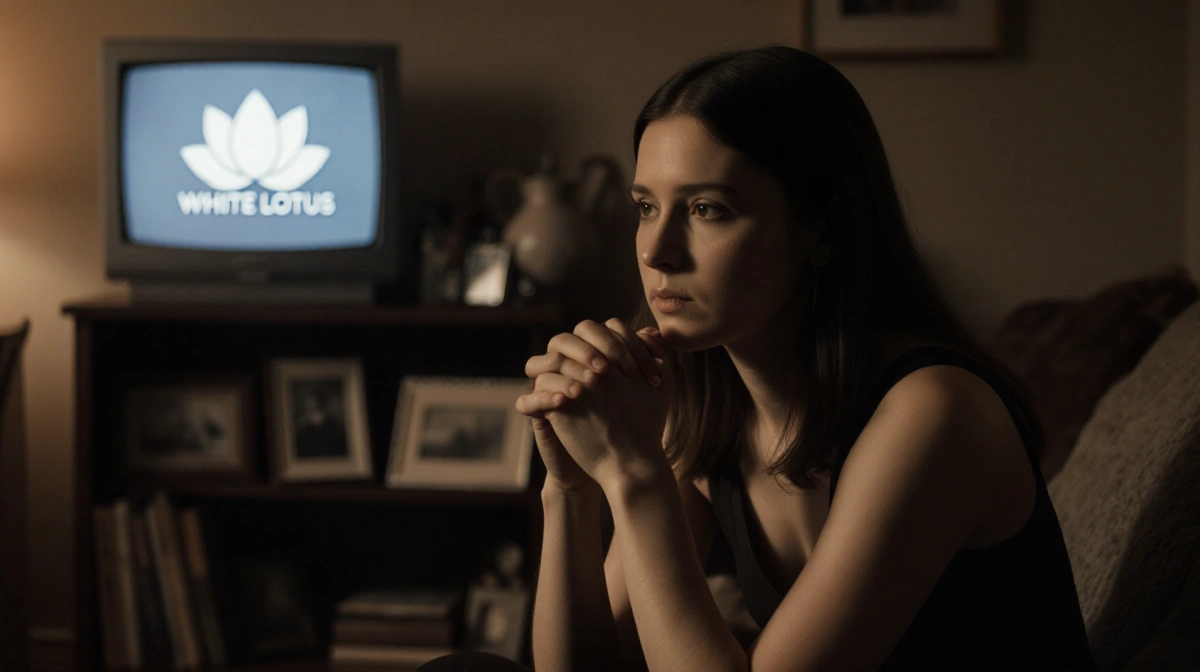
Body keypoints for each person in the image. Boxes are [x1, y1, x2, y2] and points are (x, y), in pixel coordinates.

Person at [419, 46, 1097, 671]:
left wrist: (635, 474)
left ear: (823, 232)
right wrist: (569, 486)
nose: (658, 251)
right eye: (646, 207)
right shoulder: (704, 399)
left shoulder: (934, 413)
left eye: (708, 209)